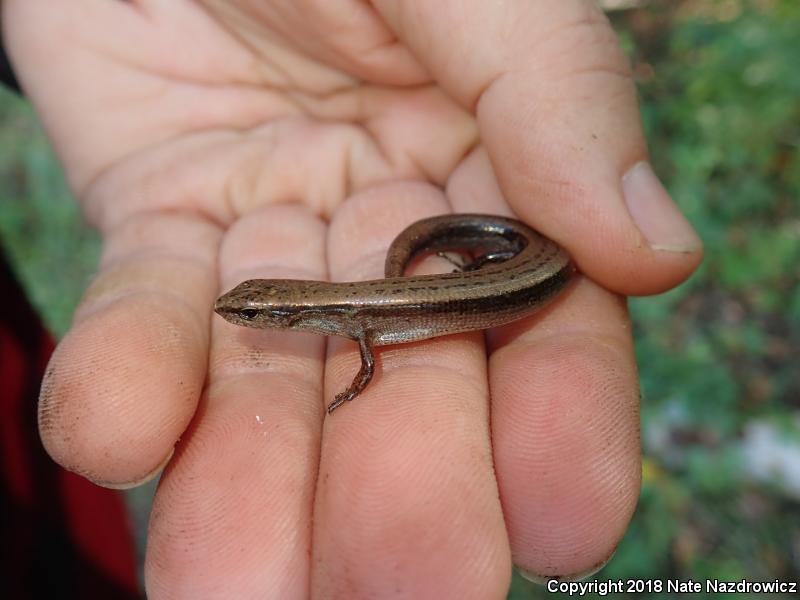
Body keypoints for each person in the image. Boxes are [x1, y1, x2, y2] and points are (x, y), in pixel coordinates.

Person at [3, 1, 703, 597]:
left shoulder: (358, 322)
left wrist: (355, 386)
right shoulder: (352, 317)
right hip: (495, 265)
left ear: (296, 313)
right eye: (253, 312)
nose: (244, 317)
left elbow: (366, 361)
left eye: (259, 314)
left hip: (532, 273)